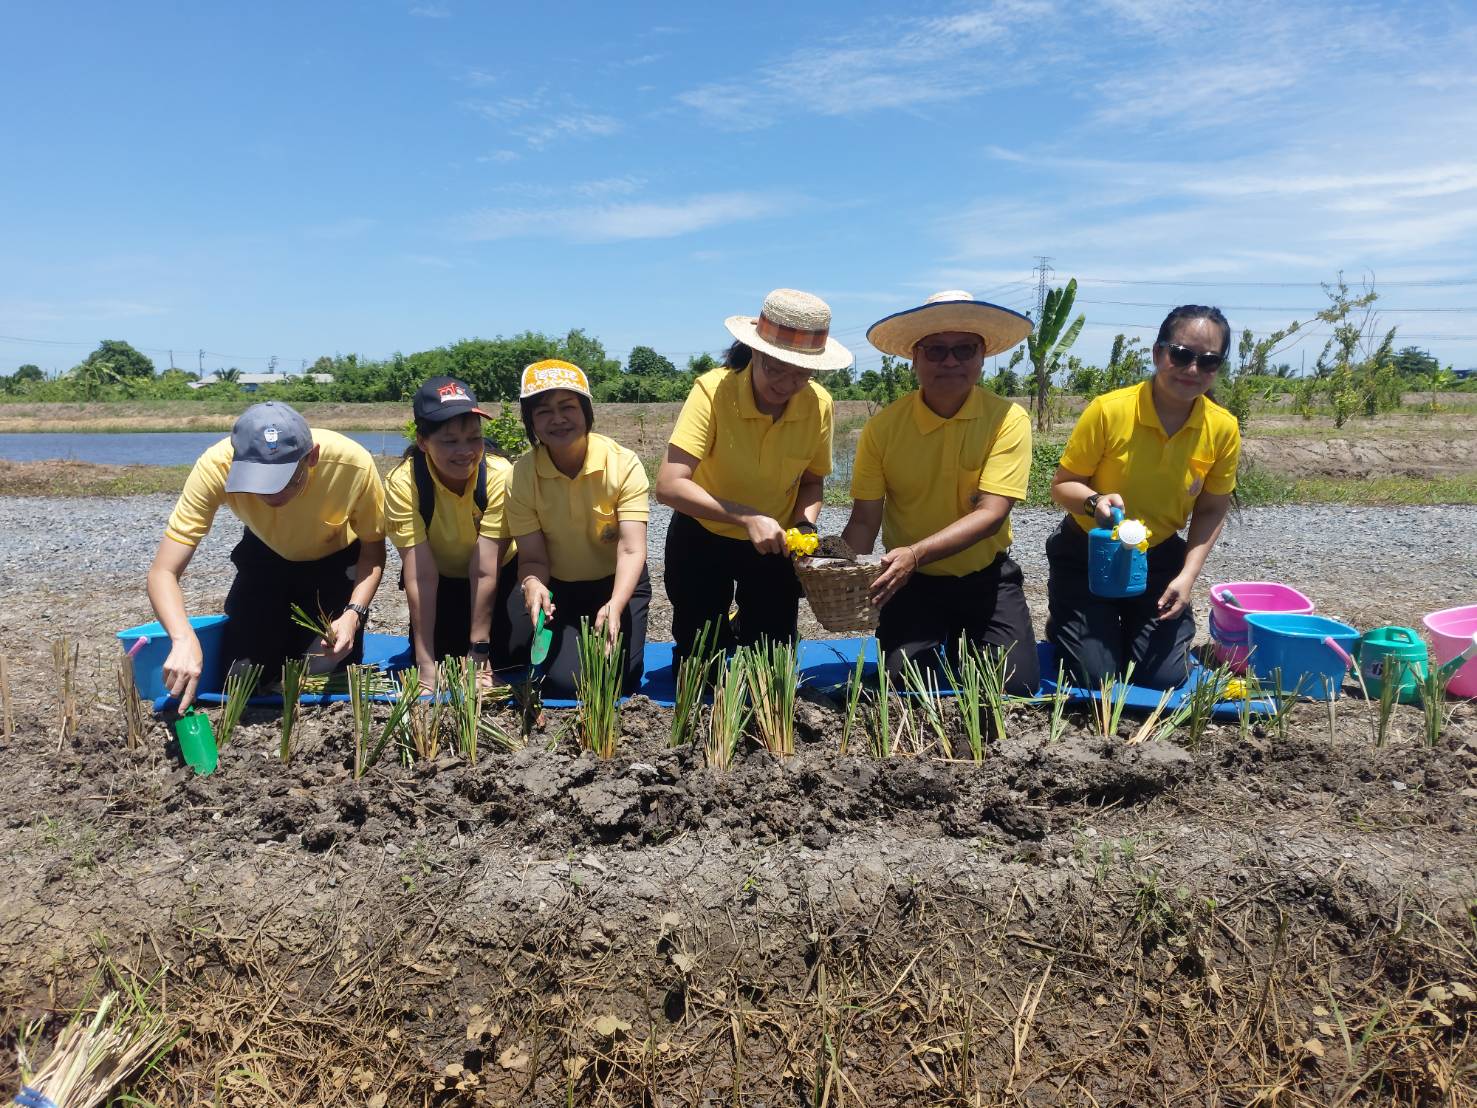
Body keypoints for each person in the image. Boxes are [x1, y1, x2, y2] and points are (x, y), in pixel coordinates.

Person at [841, 290, 1039, 696]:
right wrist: (835, 567)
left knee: (1014, 687)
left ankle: (968, 643)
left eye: (964, 349)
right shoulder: (883, 429)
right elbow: (864, 520)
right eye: (935, 351)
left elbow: (991, 515)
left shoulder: (1007, 419)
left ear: (982, 356)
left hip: (985, 579)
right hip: (911, 583)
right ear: (914, 358)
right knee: (908, 685)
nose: (950, 361)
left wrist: (915, 553)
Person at [1047, 305, 1241, 689]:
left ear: (1218, 367)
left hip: (1157, 559)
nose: (1192, 370)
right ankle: (1071, 623)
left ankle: (1123, 627)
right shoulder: (1109, 411)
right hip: (1088, 553)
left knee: (1164, 676)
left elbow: (1213, 507)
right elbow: (1062, 484)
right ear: (1158, 354)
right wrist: (1093, 502)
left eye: (1208, 361)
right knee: (1096, 676)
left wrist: (1186, 576)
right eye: (1181, 355)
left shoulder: (1222, 428)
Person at [146, 401, 386, 709]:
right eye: (259, 483)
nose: (274, 495)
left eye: (288, 480)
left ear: (311, 456)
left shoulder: (352, 465)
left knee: (327, 668)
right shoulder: (216, 466)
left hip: (336, 561)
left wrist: (353, 614)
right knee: (241, 673)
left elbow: (373, 552)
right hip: (264, 553)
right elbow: (162, 572)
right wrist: (181, 638)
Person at [655, 288, 848, 661]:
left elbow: (811, 481)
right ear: (755, 353)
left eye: (801, 374)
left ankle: (747, 623)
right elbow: (670, 485)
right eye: (775, 368)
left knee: (771, 661)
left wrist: (804, 528)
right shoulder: (713, 390)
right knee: (702, 662)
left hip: (772, 543)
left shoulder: (818, 404)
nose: (786, 384)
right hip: (702, 535)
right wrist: (747, 516)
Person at [504, 359, 650, 699]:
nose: (557, 419)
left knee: (618, 679)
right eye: (543, 411)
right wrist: (533, 582)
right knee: (566, 684)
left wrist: (615, 604)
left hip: (617, 584)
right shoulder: (523, 475)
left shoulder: (622, 463)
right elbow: (533, 558)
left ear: (586, 411)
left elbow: (631, 549)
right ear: (530, 421)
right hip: (561, 589)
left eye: (568, 407)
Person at [384, 376, 526, 690]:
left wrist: (478, 651)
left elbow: (486, 567)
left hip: (499, 574)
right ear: (423, 441)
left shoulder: (500, 476)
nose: (465, 452)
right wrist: (423, 663)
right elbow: (420, 575)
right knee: (440, 656)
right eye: (449, 441)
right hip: (439, 577)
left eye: (473, 438)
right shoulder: (404, 483)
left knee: (511, 653)